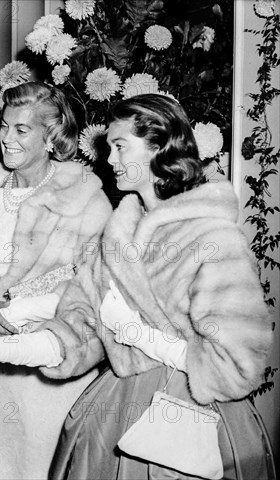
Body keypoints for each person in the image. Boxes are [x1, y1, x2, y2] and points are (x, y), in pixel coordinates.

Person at [50, 94, 275, 479]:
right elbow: (75, 330)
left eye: (120, 147)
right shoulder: (115, 236)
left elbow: (239, 365)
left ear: (159, 148)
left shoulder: (214, 237)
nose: (109, 160)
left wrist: (139, 335)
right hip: (115, 410)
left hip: (193, 420)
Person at [0, 81, 113, 479]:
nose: (5, 138)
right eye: (3, 126)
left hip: (47, 373)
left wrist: (16, 311)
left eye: (21, 129)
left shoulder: (83, 200)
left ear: (51, 137)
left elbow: (91, 291)